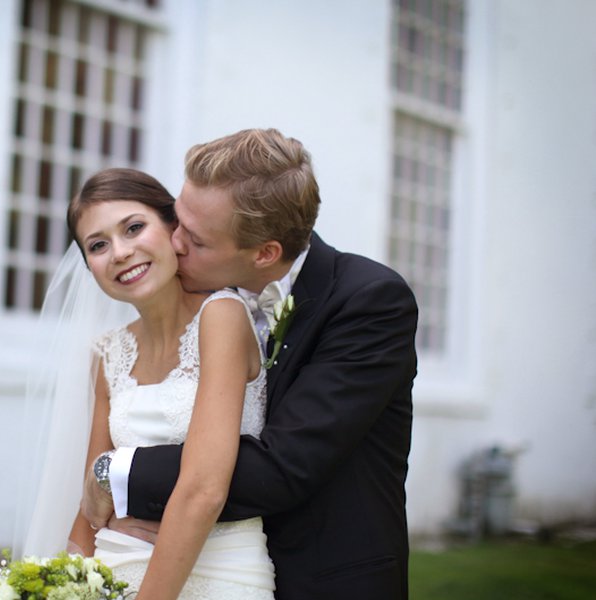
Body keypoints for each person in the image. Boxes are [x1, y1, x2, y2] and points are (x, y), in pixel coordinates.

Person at [81, 128, 419, 600]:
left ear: (264, 254)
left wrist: (116, 472)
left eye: (195, 240)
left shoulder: (368, 303)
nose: (175, 244)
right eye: (176, 222)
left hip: (324, 579)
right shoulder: (211, 295)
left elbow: (282, 467)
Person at [16, 167, 276, 599]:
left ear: (173, 228)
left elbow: (205, 489)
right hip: (115, 566)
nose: (119, 252)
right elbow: (89, 505)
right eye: (98, 245)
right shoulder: (107, 353)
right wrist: (68, 582)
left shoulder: (222, 315)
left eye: (134, 228)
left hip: (223, 573)